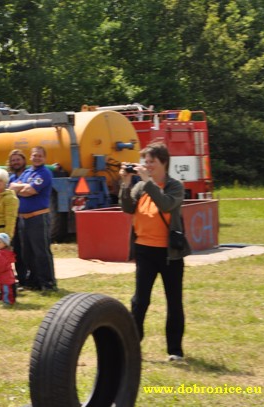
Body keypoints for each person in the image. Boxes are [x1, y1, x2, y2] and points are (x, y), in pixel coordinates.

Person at [119, 142, 191, 362]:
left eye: (152, 162)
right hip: (144, 250)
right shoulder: (141, 186)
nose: (147, 166)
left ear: (163, 162)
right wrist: (125, 183)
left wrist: (148, 182)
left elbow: (166, 204)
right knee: (140, 300)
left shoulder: (175, 186)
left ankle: (175, 350)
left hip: (169, 253)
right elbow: (128, 208)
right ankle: (132, 346)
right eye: (145, 162)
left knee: (173, 301)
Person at [9, 146, 56, 291]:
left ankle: (48, 283)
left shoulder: (45, 173)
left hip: (38, 218)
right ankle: (34, 282)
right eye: (35, 155)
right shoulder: (28, 172)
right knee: (27, 253)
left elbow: (30, 190)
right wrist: (22, 188)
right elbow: (12, 187)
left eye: (40, 156)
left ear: (44, 158)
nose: (37, 158)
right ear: (30, 157)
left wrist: (21, 188)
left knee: (41, 251)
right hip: (23, 219)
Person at [6, 149, 29, 287]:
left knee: (28, 249)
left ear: (24, 160)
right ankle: (21, 278)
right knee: (18, 250)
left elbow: (29, 190)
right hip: (13, 219)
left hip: (27, 218)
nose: (15, 162)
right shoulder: (10, 178)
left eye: (18, 159)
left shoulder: (29, 174)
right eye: (13, 160)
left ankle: (31, 277)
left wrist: (18, 189)